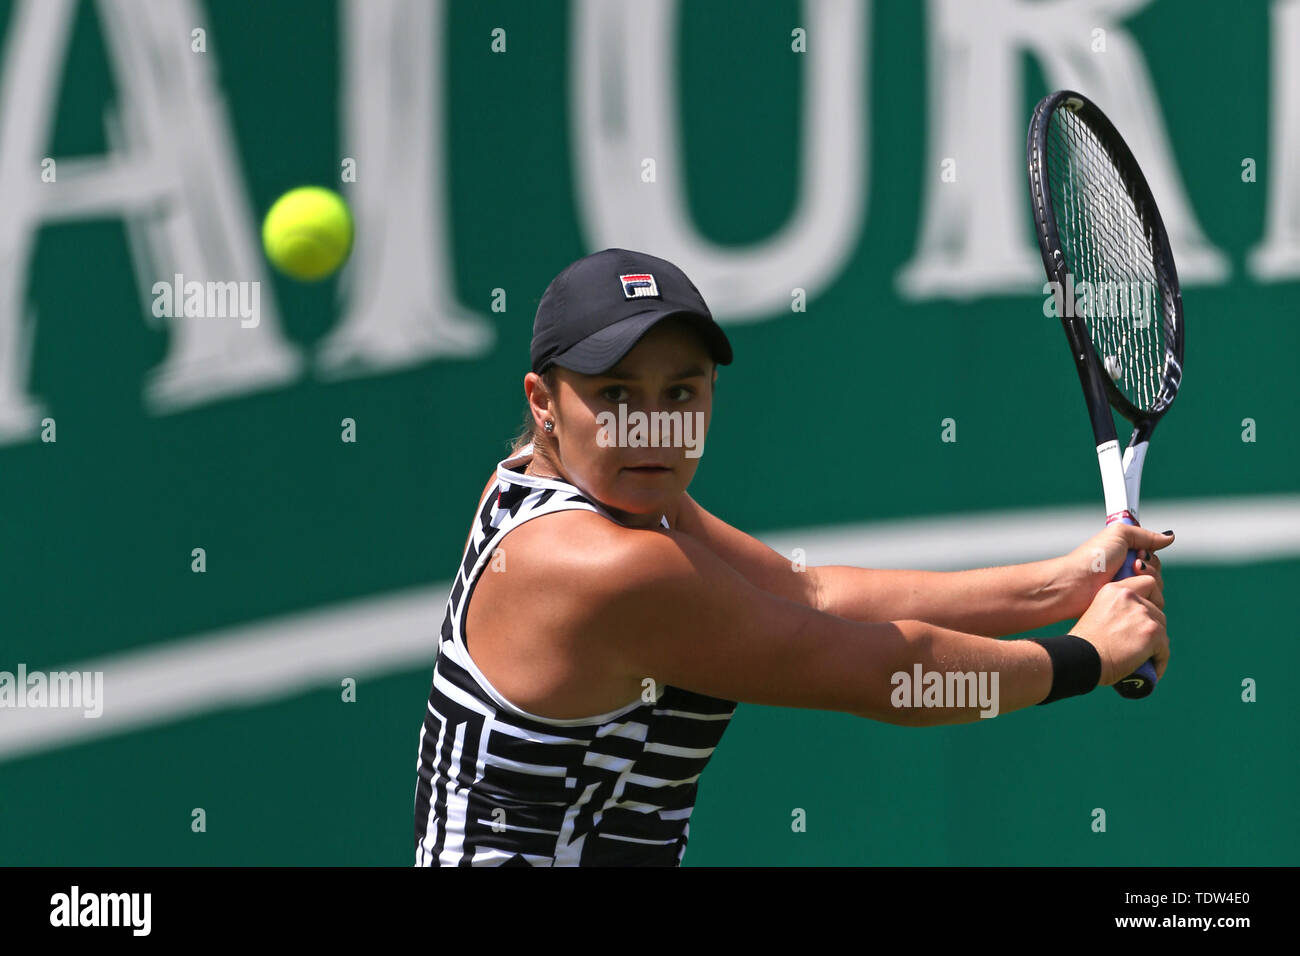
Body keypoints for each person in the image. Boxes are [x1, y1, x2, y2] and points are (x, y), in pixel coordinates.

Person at [412, 247, 1172, 867]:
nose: (652, 429)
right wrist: (1088, 657)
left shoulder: (568, 483)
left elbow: (808, 595)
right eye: (615, 395)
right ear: (543, 401)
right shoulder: (607, 566)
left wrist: (1065, 581)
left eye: (680, 394)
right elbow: (892, 679)